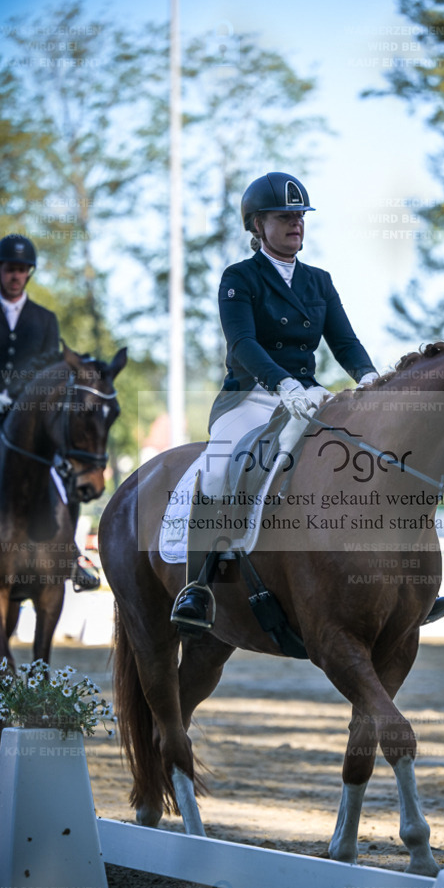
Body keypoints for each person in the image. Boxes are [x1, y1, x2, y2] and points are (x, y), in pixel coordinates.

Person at [171, 173, 380, 631]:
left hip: (307, 396)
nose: (296, 224)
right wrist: (283, 384)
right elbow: (242, 342)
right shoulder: (239, 278)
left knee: (367, 456)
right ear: (257, 225)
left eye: (300, 216)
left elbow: (345, 342)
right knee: (219, 467)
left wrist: (369, 377)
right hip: (251, 397)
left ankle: (391, 583)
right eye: (284, 217)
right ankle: (198, 586)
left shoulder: (319, 281)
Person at [0, 233, 100, 590]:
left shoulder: (44, 320)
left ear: (29, 274)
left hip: (26, 422)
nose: (15, 276)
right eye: (10, 269)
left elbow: (52, 373)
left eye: (22, 270)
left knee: (65, 474)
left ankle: (69, 555)